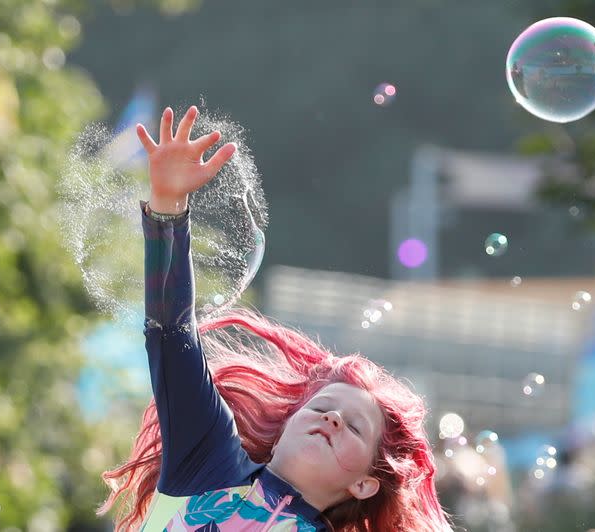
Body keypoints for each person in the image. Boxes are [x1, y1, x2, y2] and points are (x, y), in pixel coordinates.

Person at [97, 106, 452, 531]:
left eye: (354, 428)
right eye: (321, 407)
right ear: (285, 427)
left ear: (365, 485)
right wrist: (168, 207)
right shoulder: (207, 460)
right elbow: (172, 334)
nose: (332, 419)